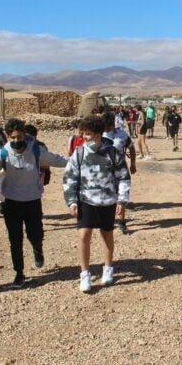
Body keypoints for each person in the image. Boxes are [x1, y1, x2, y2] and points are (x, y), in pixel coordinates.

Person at [0, 119, 68, 288]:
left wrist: (79, 160)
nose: (17, 141)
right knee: (15, 239)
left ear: (25, 135)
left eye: (19, 137)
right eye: (13, 138)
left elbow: (57, 160)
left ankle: (37, 249)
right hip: (11, 202)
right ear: (8, 138)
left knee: (35, 233)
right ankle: (19, 273)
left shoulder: (37, 151)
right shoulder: (3, 153)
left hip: (32, 201)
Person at [63, 115, 131, 293]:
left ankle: (108, 268)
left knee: (107, 234)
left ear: (99, 135)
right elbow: (70, 178)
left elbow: (123, 177)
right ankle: (85, 274)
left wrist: (122, 200)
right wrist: (71, 201)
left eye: (88, 134)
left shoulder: (113, 153)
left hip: (107, 202)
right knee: (84, 235)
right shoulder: (79, 153)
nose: (84, 137)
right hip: (85, 201)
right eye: (83, 134)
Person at [102, 111, 137, 234]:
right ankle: (108, 221)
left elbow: (131, 147)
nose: (108, 126)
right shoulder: (98, 135)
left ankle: (121, 222)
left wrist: (133, 163)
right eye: (106, 124)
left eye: (110, 123)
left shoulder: (121, 135)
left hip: (120, 170)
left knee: (121, 196)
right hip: (104, 171)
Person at [25, 124, 50, 188]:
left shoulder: (41, 147)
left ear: (35, 137)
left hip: (38, 176)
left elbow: (46, 164)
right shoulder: (21, 146)